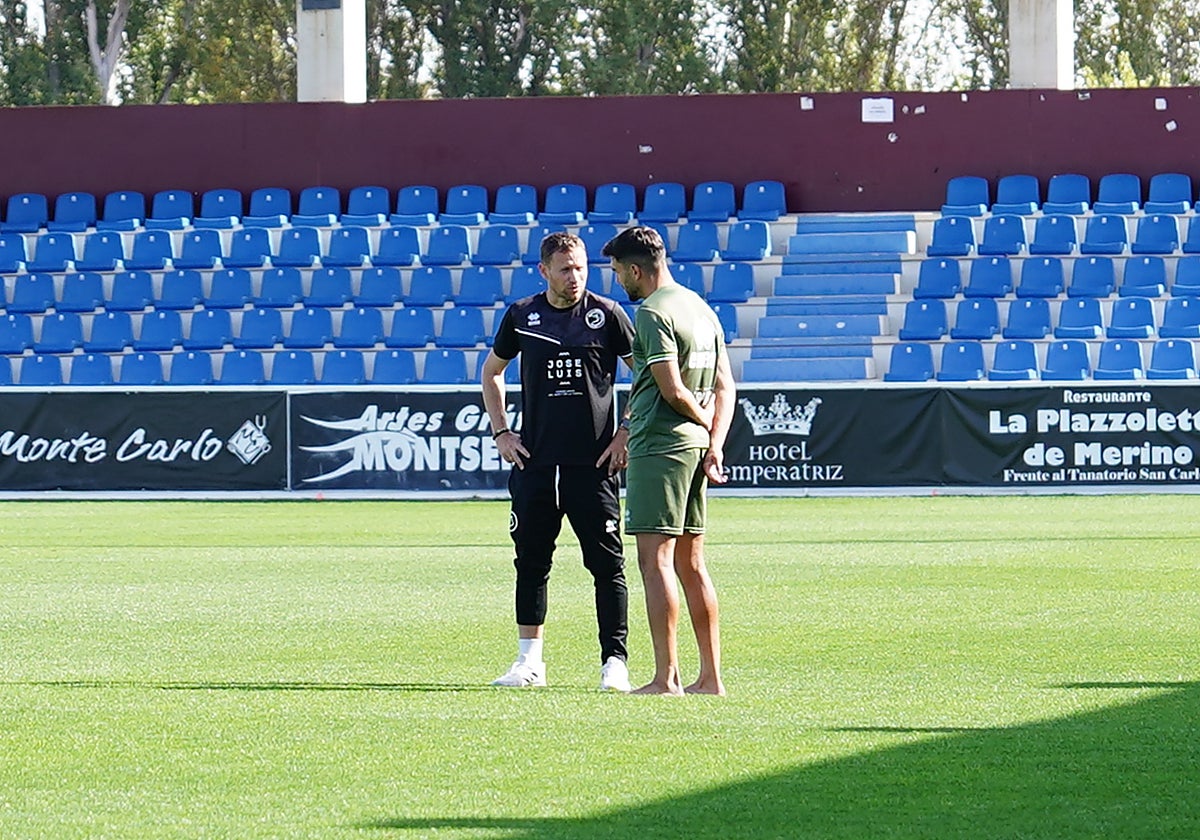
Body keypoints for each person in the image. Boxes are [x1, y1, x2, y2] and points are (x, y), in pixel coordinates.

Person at [481, 231, 635, 692]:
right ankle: (530, 663)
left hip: (593, 466)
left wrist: (626, 430)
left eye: (582, 268)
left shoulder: (607, 315)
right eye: (566, 269)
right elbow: (491, 372)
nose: (575, 277)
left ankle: (615, 662)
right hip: (536, 465)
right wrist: (502, 431)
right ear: (544, 270)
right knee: (530, 563)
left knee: (607, 567)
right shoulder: (522, 316)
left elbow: (646, 372)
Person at [602, 226, 736, 696]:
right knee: (692, 563)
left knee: (653, 561)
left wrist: (699, 425)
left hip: (660, 445)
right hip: (696, 449)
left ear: (636, 269)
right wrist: (714, 439)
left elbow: (672, 389)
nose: (618, 281)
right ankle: (711, 678)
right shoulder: (700, 308)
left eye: (619, 272)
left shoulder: (652, 313)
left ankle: (666, 678)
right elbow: (725, 387)